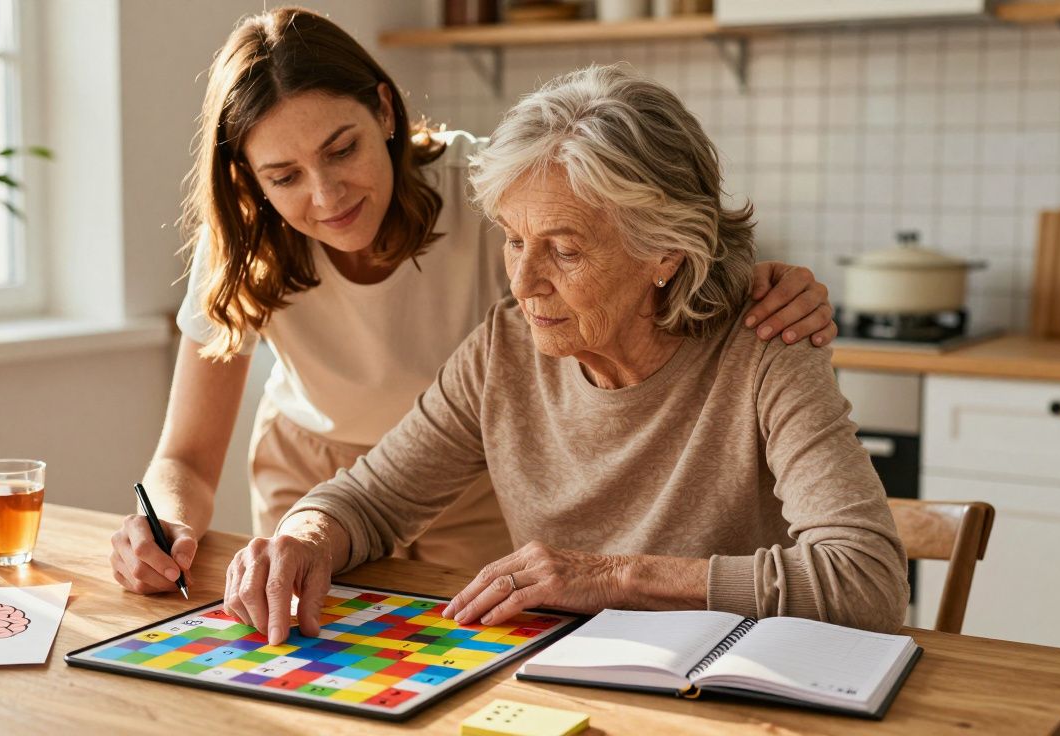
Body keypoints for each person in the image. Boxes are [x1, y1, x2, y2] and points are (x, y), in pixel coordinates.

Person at [109, 8, 840, 595]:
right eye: (284, 175)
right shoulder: (249, 242)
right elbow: (199, 459)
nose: (325, 197)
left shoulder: (493, 186)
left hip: (476, 464)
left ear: (385, 112)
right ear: (251, 181)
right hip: (336, 463)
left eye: (341, 150)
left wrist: (755, 281)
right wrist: (171, 527)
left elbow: (640, 225)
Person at [223, 65, 909, 646]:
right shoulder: (506, 348)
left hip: (725, 690)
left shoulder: (765, 351)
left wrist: (612, 578)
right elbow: (372, 498)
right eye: (515, 240)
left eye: (566, 249)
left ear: (665, 251)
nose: (523, 284)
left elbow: (867, 580)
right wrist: (307, 537)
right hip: (566, 681)